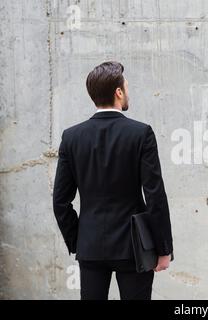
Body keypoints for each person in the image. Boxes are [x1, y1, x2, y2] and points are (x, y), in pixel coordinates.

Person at [52, 61, 173, 300]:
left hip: (91, 246)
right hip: (134, 248)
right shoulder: (141, 133)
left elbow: (60, 201)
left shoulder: (72, 137)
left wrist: (79, 240)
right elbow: (155, 195)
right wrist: (163, 248)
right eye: (126, 86)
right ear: (118, 92)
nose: (128, 92)